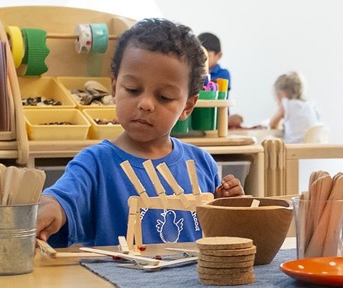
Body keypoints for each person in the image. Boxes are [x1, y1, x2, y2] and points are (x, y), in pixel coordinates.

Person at [36, 19, 244, 248]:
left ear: (187, 106)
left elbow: (223, 237)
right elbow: (61, 199)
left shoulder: (202, 164)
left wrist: (230, 209)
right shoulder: (95, 164)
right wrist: (49, 208)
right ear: (114, 88)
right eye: (133, 90)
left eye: (164, 97)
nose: (145, 104)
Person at [268, 71, 321, 144]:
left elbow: (272, 125)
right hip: (312, 148)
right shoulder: (310, 105)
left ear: (282, 95)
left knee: (269, 141)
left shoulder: (286, 104)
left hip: (294, 149)